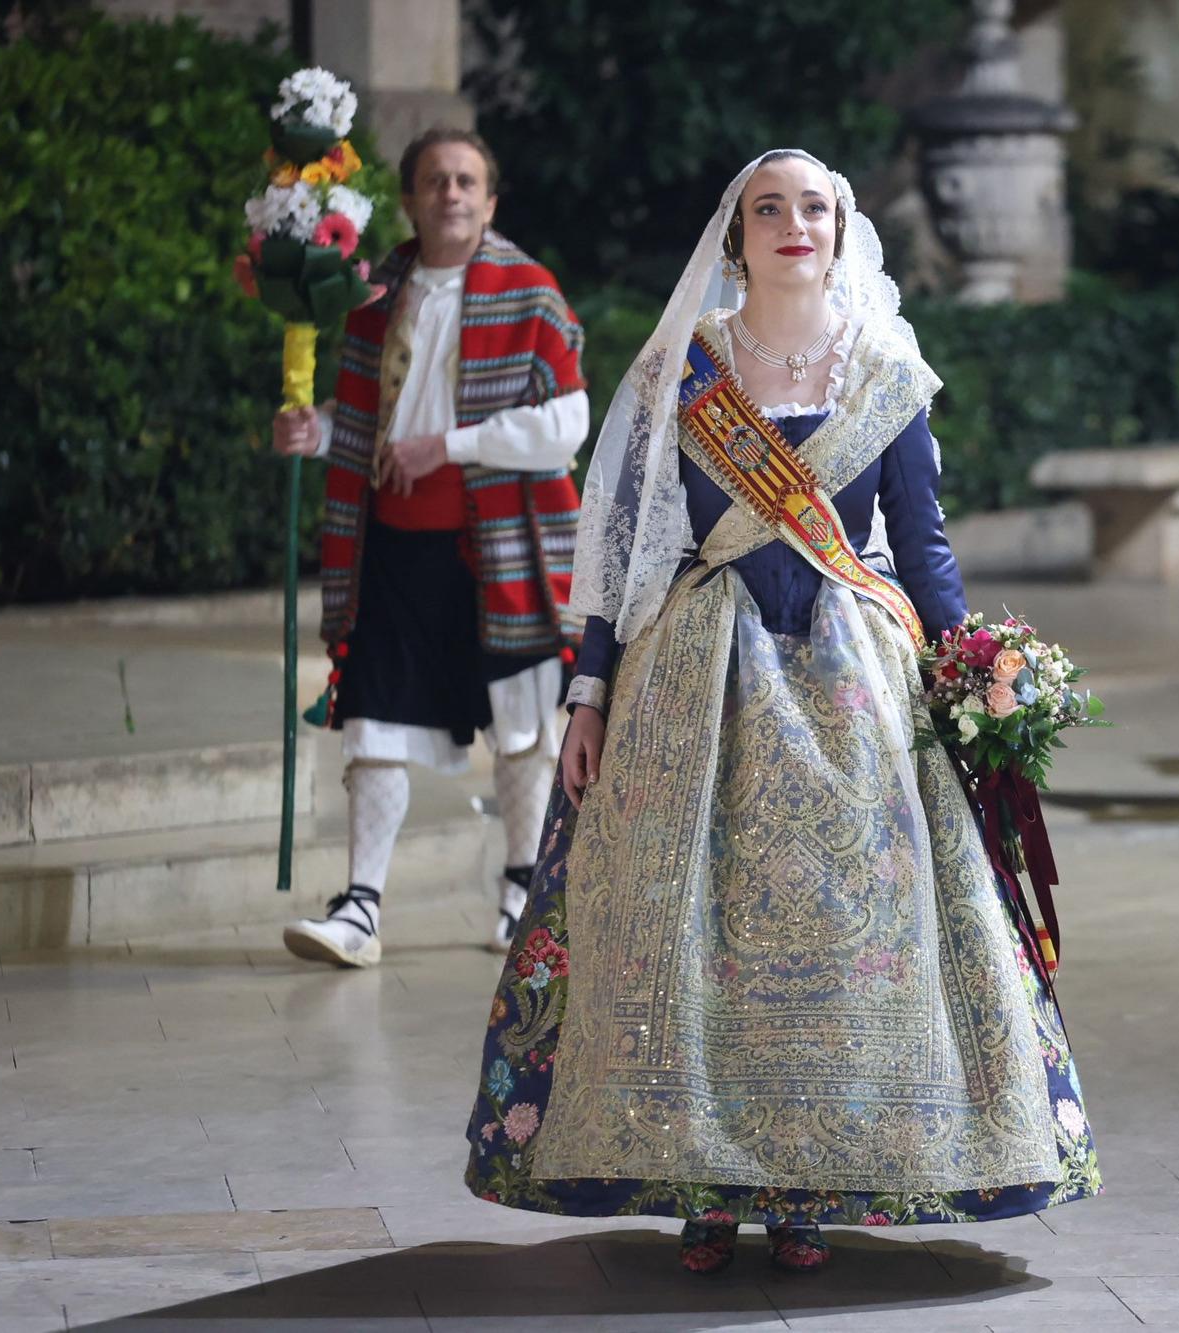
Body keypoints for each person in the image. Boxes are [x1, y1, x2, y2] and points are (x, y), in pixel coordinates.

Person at [462, 150, 1098, 1276]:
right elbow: (619, 550)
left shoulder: (884, 371)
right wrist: (589, 692)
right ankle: (702, 1189)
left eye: (813, 209)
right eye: (770, 210)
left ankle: (806, 1185)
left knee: (845, 934)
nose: (793, 225)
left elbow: (925, 545)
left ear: (841, 231)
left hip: (855, 680)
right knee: (684, 935)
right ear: (736, 236)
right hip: (696, 677)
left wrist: (970, 678)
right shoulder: (682, 370)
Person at [276, 128, 589, 967]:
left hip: (502, 551)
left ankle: (522, 894)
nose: (449, 193)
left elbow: (567, 426)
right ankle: (362, 909)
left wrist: (447, 447)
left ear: (490, 201)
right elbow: (362, 429)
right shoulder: (370, 292)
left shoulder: (531, 292)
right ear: (411, 200)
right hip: (392, 550)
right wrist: (313, 432)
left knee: (523, 726)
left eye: (465, 181)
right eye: (432, 181)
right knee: (372, 718)